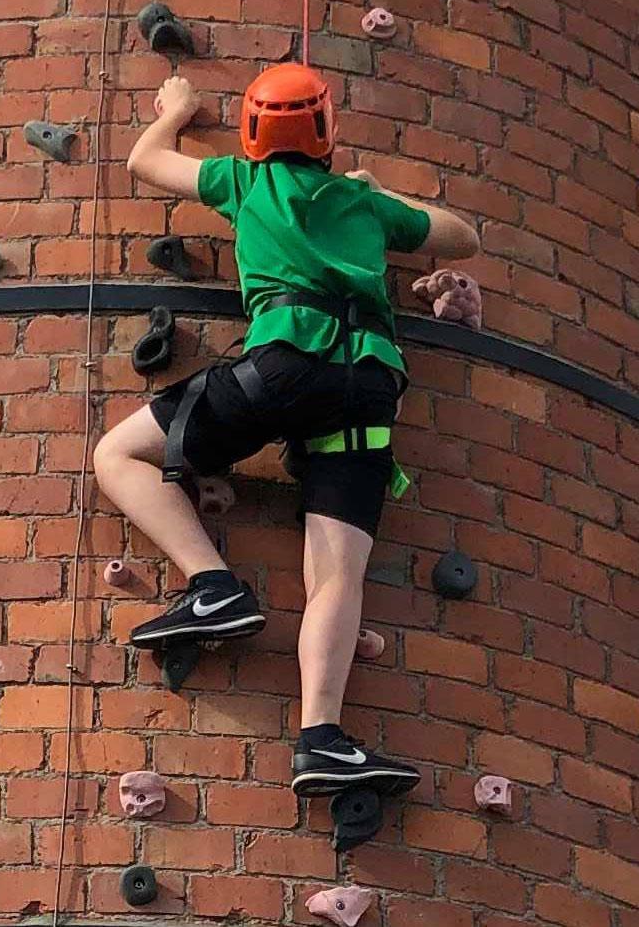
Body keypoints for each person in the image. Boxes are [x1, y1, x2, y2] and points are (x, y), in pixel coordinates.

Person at [94, 64, 483, 798]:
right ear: (328, 135)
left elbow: (144, 161)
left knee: (117, 453)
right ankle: (321, 739)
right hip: (368, 388)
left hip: (285, 364)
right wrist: (376, 193)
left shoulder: (246, 183)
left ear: (251, 135)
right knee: (337, 572)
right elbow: (463, 236)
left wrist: (176, 108)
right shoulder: (361, 204)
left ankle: (212, 586)